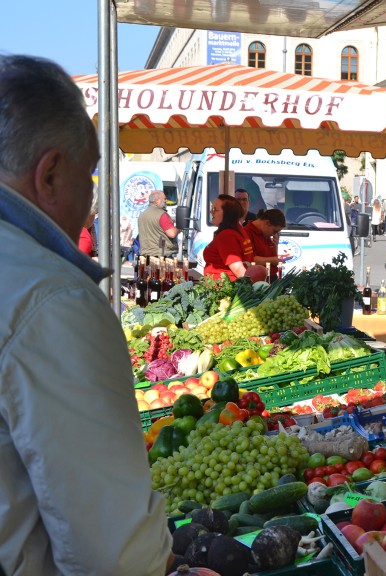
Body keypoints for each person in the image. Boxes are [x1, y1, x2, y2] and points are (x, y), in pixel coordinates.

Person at [0, 54, 172, 574]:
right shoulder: (51, 299)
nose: (93, 196)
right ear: (51, 174)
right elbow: (116, 555)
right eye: (91, 173)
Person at [203, 194, 258, 281]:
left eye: (215, 209)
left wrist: (251, 290)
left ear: (227, 214)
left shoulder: (227, 236)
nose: (211, 212)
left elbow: (238, 269)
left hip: (223, 290)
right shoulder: (238, 230)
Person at [246, 208, 287, 280]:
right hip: (258, 279)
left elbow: (272, 256)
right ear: (267, 223)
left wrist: (275, 247)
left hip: (271, 276)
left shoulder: (265, 233)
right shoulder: (247, 233)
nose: (273, 234)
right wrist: (273, 260)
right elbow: (250, 260)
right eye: (274, 231)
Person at [137, 189, 178, 256]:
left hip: (145, 255)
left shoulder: (142, 215)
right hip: (160, 256)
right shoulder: (162, 215)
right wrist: (178, 229)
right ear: (157, 200)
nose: (166, 201)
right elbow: (172, 233)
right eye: (164, 199)